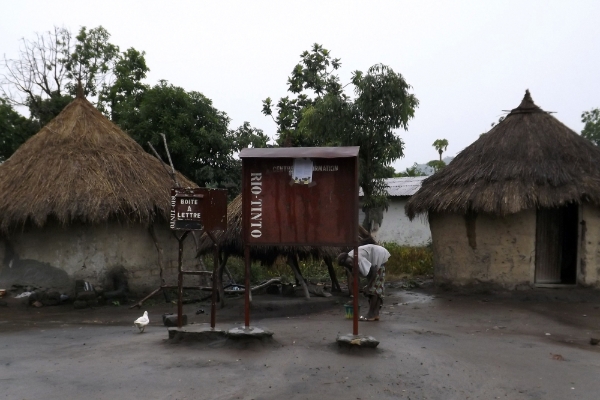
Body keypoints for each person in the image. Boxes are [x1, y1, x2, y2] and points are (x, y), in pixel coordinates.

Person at [337, 244, 390, 321]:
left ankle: (371, 314)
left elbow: (374, 271)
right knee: (373, 289)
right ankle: (375, 314)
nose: (350, 265)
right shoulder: (349, 263)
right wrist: (355, 298)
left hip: (379, 256)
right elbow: (355, 279)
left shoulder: (358, 258)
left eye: (349, 263)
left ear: (348, 257)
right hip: (374, 261)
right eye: (347, 265)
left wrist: (368, 287)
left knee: (373, 289)